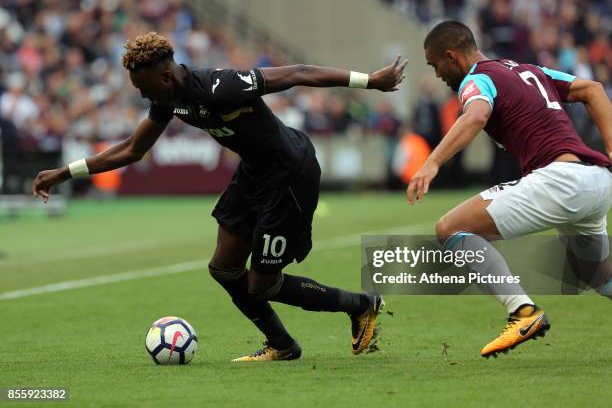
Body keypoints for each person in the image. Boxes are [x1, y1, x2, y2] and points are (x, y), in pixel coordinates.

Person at [32, 32, 407, 362]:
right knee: (224, 268)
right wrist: (65, 172)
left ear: (164, 76)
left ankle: (361, 305)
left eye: (142, 87)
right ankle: (281, 344)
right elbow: (132, 149)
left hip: (289, 174)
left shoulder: (220, 86)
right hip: (253, 173)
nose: (141, 94)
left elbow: (297, 73)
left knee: (264, 283)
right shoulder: (166, 98)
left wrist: (370, 81)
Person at [407, 21, 612, 358]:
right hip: (596, 181)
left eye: (435, 65)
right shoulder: (527, 70)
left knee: (450, 228)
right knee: (597, 274)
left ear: (451, 56)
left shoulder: (476, 79)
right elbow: (593, 89)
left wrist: (432, 162)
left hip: (559, 182)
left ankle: (523, 312)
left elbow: (475, 117)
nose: (438, 74)